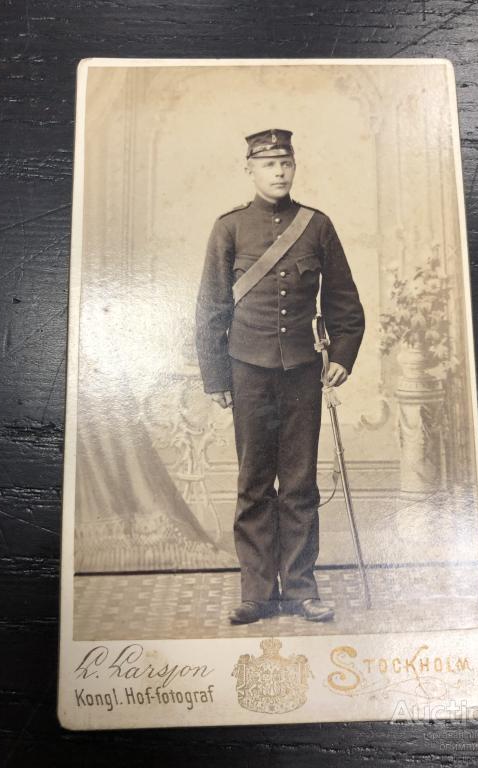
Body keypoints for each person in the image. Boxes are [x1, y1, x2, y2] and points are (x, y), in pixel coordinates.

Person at [195, 129, 365, 624]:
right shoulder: (229, 228)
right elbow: (210, 307)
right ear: (249, 169)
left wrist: (343, 354)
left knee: (299, 484)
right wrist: (215, 376)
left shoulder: (317, 226)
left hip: (301, 373)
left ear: (294, 167)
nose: (279, 172)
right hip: (247, 370)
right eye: (268, 164)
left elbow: (344, 299)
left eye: (285, 163)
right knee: (253, 482)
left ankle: (300, 590)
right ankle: (256, 593)